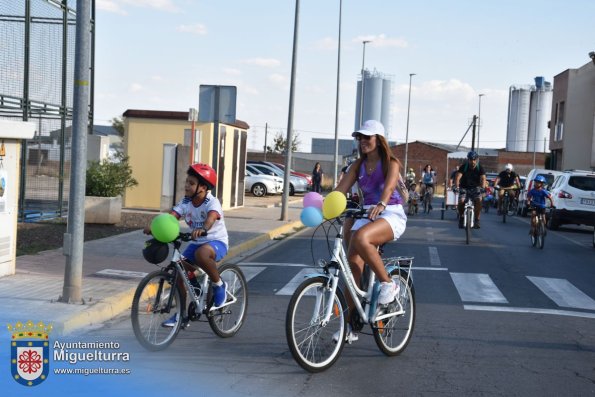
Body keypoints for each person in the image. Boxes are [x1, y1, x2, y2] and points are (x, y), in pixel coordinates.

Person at [334, 119, 408, 343]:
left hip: (390, 213)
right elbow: (340, 190)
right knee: (351, 270)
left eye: (368, 137)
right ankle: (349, 326)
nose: (363, 141)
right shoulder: (358, 165)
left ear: (379, 140)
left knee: (360, 237)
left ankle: (388, 283)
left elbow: (388, 188)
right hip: (366, 213)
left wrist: (382, 204)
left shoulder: (391, 163)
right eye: (360, 137)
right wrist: (323, 205)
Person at [144, 163, 229, 327]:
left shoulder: (212, 202)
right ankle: (182, 314)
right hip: (196, 243)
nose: (187, 186)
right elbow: (171, 217)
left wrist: (203, 228)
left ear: (203, 187)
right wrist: (154, 227)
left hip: (216, 242)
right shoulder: (186, 201)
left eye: (191, 183)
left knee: (201, 255)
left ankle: (219, 285)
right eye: (186, 182)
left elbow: (211, 218)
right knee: (179, 269)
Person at [453, 151, 486, 229]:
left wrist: (483, 188)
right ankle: (461, 218)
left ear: (477, 160)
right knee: (461, 201)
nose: (473, 161)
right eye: (471, 159)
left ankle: (477, 219)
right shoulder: (463, 167)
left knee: (479, 200)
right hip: (464, 188)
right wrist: (456, 187)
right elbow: (458, 177)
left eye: (474, 159)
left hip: (476, 188)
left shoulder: (480, 167)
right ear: (468, 159)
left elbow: (483, 178)